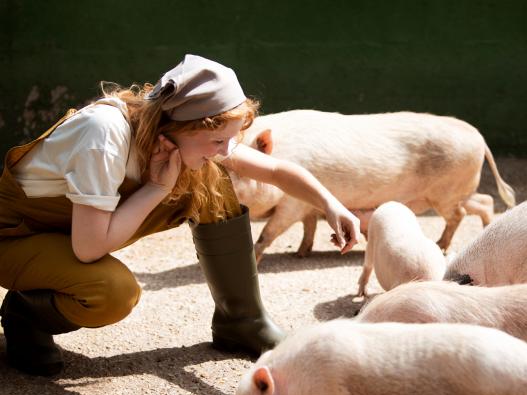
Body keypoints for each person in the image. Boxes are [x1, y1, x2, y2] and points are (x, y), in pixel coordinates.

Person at [0, 54, 359, 376]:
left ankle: (243, 320)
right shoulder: (104, 133)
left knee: (211, 179)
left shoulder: (176, 134)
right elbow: (88, 249)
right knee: (111, 293)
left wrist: (331, 204)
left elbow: (275, 170)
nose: (225, 150)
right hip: (16, 238)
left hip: (72, 232)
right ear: (187, 127)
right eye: (218, 141)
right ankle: (26, 313)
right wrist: (155, 190)